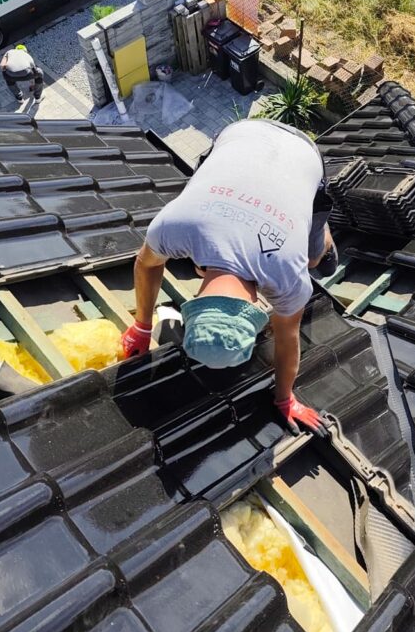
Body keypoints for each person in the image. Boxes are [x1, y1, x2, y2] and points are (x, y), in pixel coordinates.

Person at [121, 119, 337, 436]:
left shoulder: (290, 273)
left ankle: (317, 226)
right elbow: (146, 264)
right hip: (239, 135)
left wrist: (285, 400)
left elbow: (287, 341)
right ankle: (299, 215)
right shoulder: (176, 225)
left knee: (315, 257)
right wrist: (141, 327)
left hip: (300, 152)